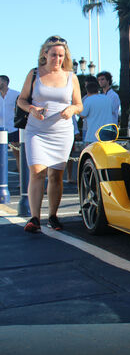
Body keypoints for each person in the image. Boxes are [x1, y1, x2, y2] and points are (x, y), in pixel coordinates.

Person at [16, 36, 83, 232]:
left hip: (62, 132)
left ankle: (53, 216)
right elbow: (21, 100)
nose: (57, 59)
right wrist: (31, 109)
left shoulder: (71, 77)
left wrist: (72, 110)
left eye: (61, 55)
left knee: (56, 176)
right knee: (37, 172)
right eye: (54, 54)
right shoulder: (35, 74)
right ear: (45, 54)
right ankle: (35, 218)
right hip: (37, 130)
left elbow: (79, 104)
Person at [0, 75, 21, 167]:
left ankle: (22, 177)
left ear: (5, 82)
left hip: (13, 128)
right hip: (1, 129)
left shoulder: (16, 94)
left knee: (17, 154)